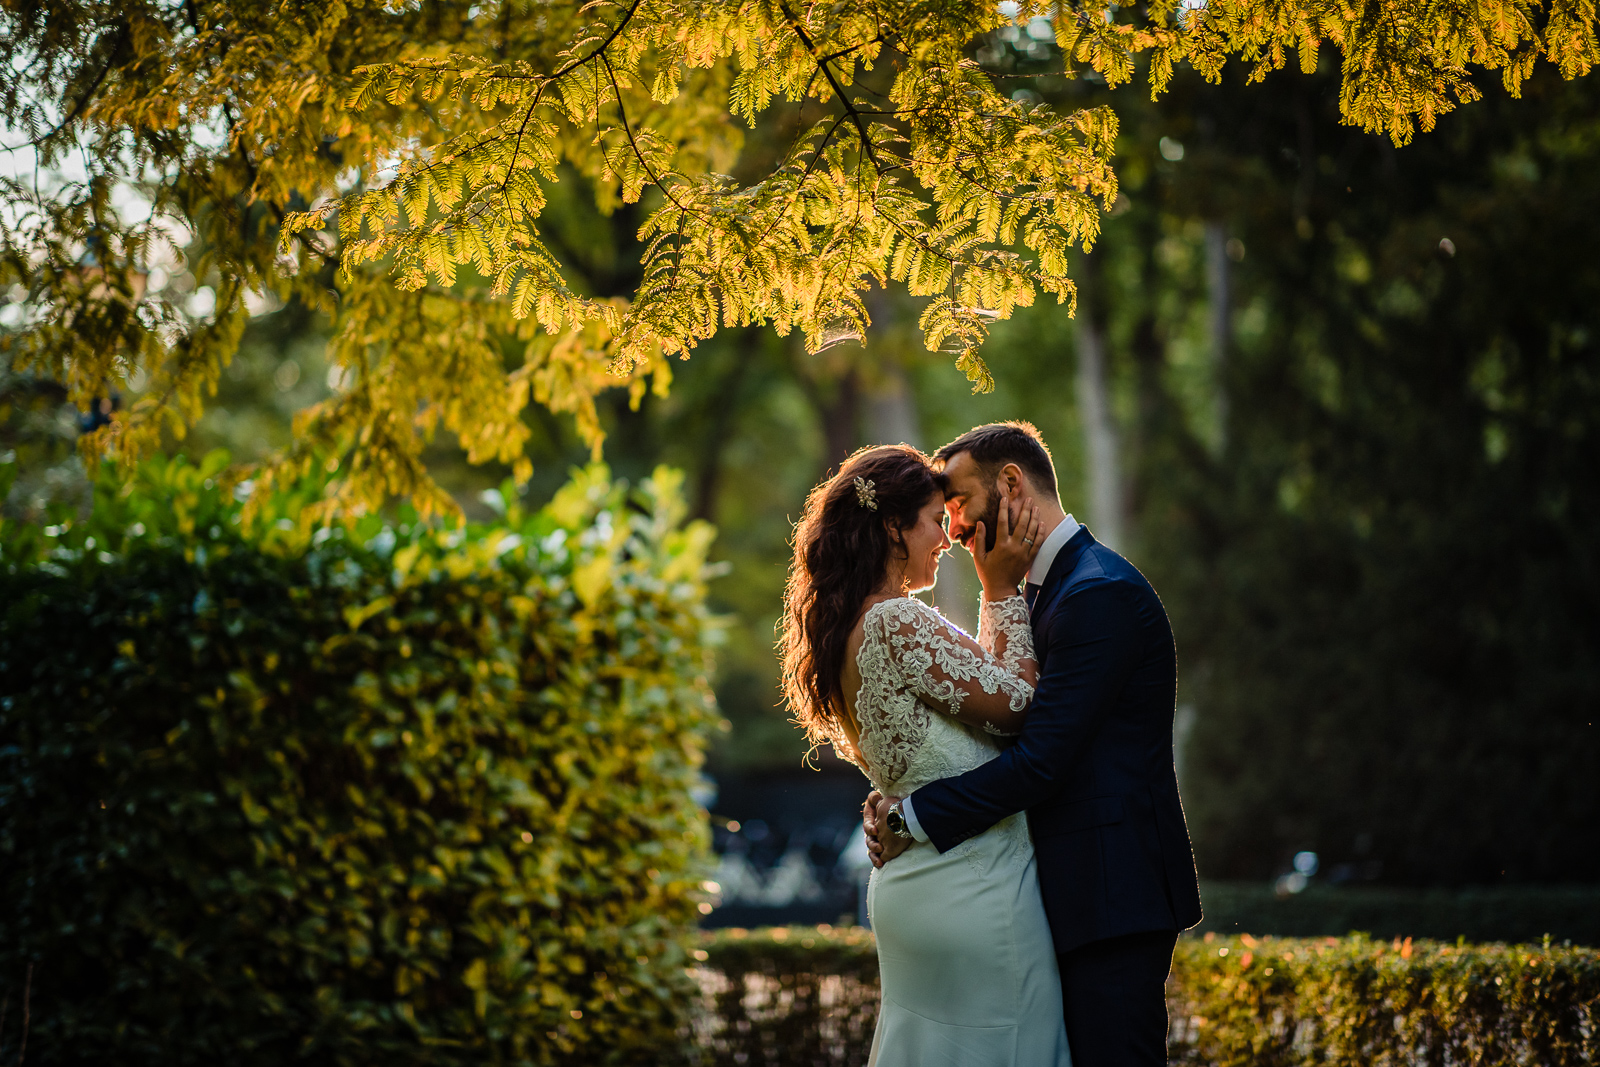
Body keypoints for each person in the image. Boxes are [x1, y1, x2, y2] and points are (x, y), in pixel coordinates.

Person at [863, 421, 1203, 1067]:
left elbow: (1042, 759)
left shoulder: (1096, 592)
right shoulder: (1047, 590)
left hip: (1109, 893)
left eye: (959, 502)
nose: (955, 528)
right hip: (1061, 892)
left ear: (1011, 482)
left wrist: (914, 815)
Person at [779, 443, 1068, 1067]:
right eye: (937, 521)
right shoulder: (895, 622)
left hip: (915, 887)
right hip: (974, 890)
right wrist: (1001, 588)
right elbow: (1020, 708)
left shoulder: (849, 628)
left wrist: (889, 807)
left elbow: (955, 722)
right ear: (892, 527)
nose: (949, 536)